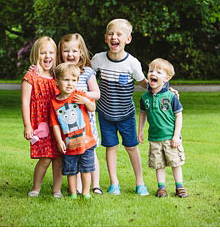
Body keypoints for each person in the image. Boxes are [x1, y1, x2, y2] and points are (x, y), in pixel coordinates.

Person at [90, 18, 149, 196]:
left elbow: (145, 83)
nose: (114, 37)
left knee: (131, 147)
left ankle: (140, 182)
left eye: (119, 34)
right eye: (111, 34)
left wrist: (166, 90)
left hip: (126, 114)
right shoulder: (98, 59)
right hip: (105, 114)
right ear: (106, 38)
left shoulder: (133, 63)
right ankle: (114, 182)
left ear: (128, 39)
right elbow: (85, 76)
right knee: (111, 147)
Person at [58, 33, 102, 195]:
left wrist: (84, 95)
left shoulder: (87, 72)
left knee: (90, 151)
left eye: (74, 51)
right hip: (69, 123)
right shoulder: (61, 73)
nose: (70, 55)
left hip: (87, 121)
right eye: (66, 51)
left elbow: (96, 94)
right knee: (73, 152)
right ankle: (75, 187)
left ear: (81, 53)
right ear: (61, 53)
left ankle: (95, 184)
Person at [48, 62, 98, 199]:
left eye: (73, 80)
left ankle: (86, 192)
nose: (70, 84)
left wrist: (85, 101)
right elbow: (55, 124)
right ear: (57, 81)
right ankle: (73, 193)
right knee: (71, 170)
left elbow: (93, 108)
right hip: (69, 144)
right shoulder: (54, 102)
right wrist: (59, 141)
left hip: (86, 141)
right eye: (66, 80)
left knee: (86, 169)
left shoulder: (78, 95)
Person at [20, 36, 62, 197]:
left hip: (57, 124)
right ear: (36, 55)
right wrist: (27, 125)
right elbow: (25, 103)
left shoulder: (58, 76)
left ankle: (56, 190)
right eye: (43, 53)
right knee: (45, 158)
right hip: (40, 123)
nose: (47, 56)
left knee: (58, 158)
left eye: (51, 52)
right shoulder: (30, 78)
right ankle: (36, 188)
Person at [138, 58, 186, 198]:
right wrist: (140, 130)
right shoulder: (145, 97)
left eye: (158, 72)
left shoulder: (171, 96)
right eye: (151, 71)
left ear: (166, 78)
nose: (153, 73)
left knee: (175, 163)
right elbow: (142, 114)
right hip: (154, 137)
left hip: (170, 137)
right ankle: (161, 188)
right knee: (158, 164)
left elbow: (179, 116)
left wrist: (176, 135)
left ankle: (179, 187)